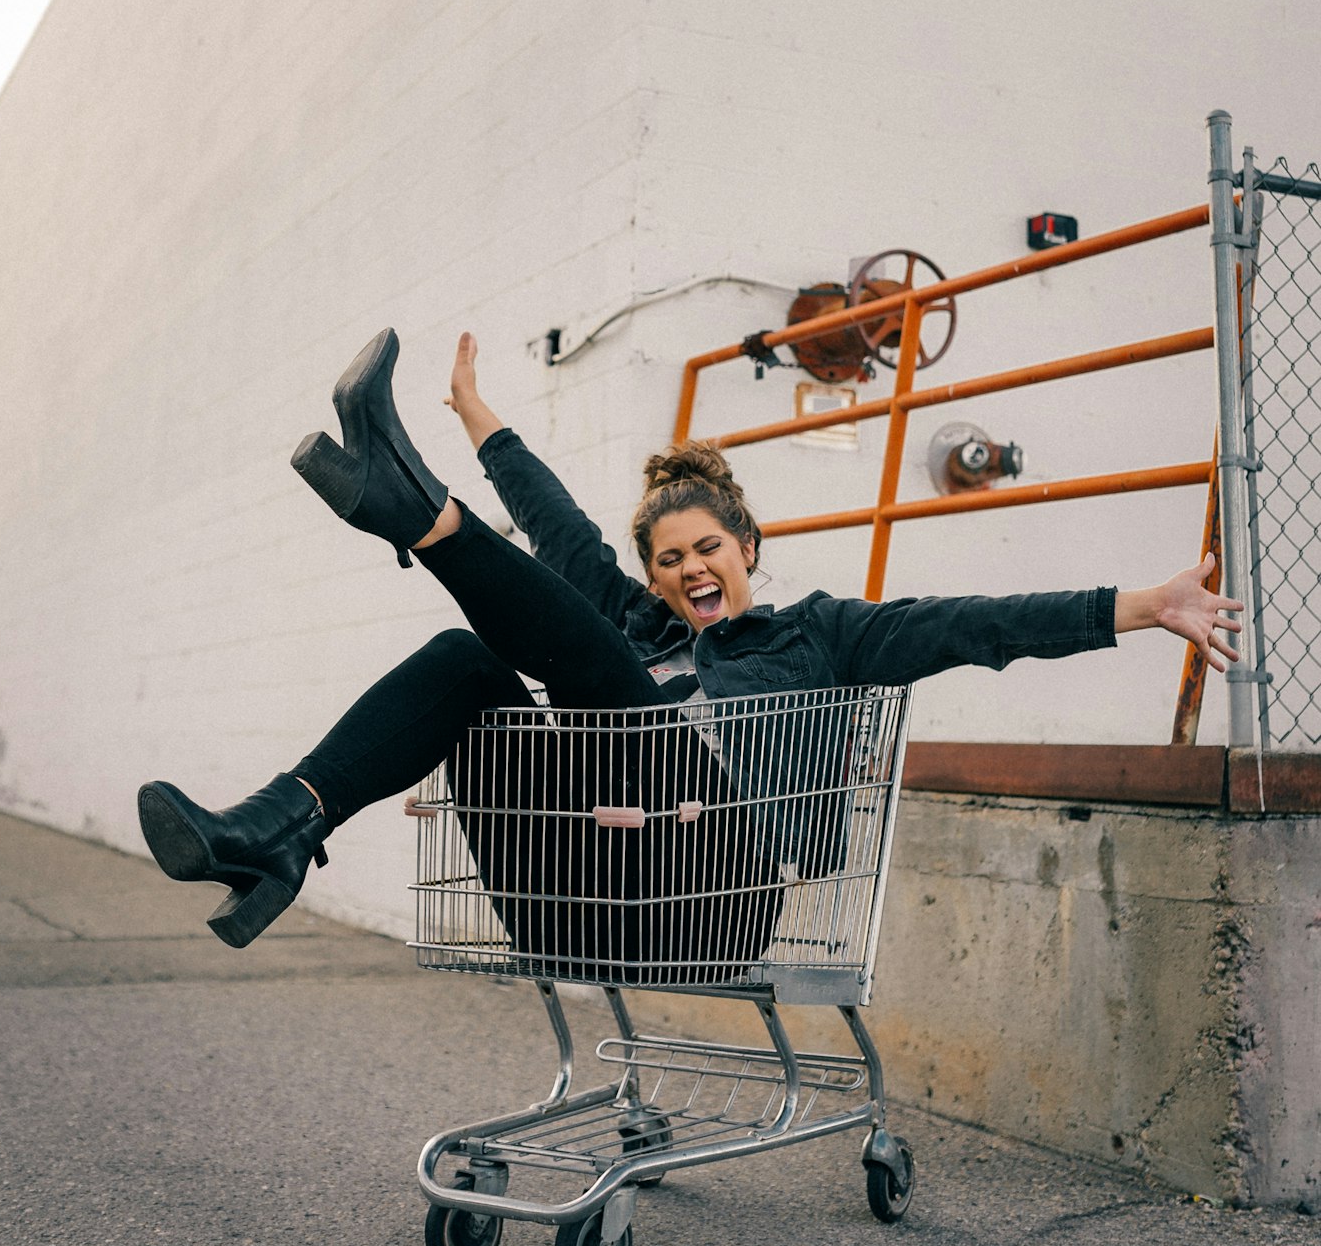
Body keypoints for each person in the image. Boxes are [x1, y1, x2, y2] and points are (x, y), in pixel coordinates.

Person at [137, 328, 1243, 963]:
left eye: (705, 548)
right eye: (665, 560)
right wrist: (479, 416)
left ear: (746, 543)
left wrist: (1140, 602)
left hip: (713, 896)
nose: (685, 572)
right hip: (572, 881)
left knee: (608, 685)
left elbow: (972, 624)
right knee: (467, 659)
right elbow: (560, 528)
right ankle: (276, 829)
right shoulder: (630, 623)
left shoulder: (821, 634)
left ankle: (413, 512)